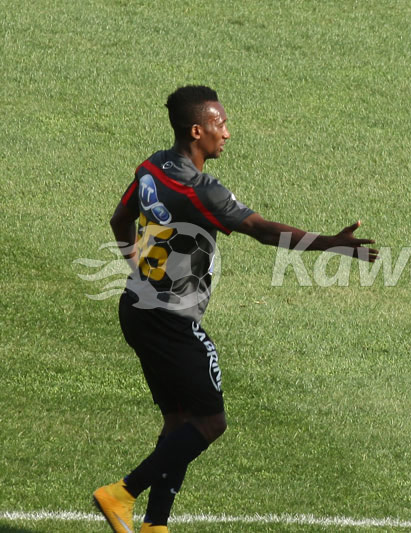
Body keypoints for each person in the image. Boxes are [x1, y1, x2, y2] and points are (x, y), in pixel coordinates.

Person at [93, 85, 378, 533]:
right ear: (197, 130)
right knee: (209, 422)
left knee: (178, 421)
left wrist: (136, 268)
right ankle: (122, 493)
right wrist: (331, 244)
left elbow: (119, 220)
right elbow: (262, 231)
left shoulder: (151, 168)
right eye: (219, 124)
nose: (227, 132)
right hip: (173, 321)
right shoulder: (201, 190)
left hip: (136, 308)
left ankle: (155, 525)